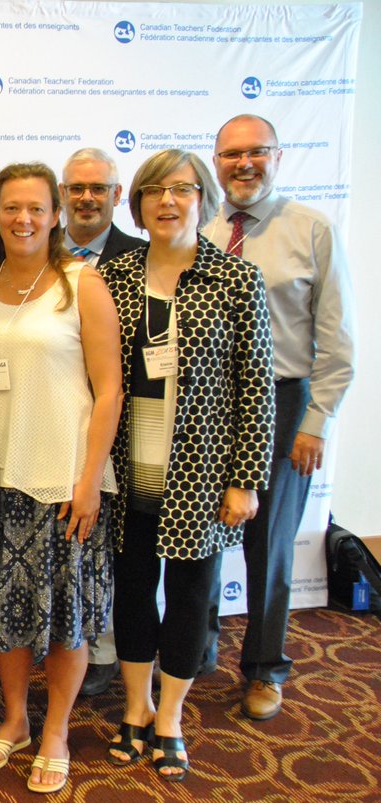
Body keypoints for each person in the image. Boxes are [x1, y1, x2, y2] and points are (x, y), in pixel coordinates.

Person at [99, 149, 275, 782]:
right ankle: (137, 707)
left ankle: (171, 714)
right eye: (154, 192)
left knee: (192, 597)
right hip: (126, 473)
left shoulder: (234, 279)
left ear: (203, 198)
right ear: (139, 204)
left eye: (181, 190)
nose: (167, 202)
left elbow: (256, 385)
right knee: (134, 594)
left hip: (201, 473)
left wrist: (245, 478)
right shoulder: (110, 276)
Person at [0, 163, 122, 795]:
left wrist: (88, 482)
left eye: (36, 208)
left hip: (62, 483)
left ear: (55, 215)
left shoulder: (81, 283)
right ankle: (17, 719)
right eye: (10, 207)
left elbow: (109, 392)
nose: (23, 218)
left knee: (65, 616)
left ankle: (55, 731)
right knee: (7, 614)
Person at [201, 115, 355, 722]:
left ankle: (265, 668)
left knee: (270, 546)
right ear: (215, 161)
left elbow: (337, 341)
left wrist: (316, 421)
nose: (244, 164)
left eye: (256, 152)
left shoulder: (311, 230)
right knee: (202, 535)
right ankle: (198, 650)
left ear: (278, 155)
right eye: (231, 154)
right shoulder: (202, 229)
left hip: (285, 402)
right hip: (210, 403)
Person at [58, 147, 147, 697]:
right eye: (76, 188)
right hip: (61, 424)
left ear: (117, 196)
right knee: (77, 544)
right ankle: (79, 645)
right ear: (62, 196)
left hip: (131, 422)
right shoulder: (38, 260)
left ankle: (110, 650)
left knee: (124, 547)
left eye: (99, 189)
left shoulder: (141, 259)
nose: (86, 198)